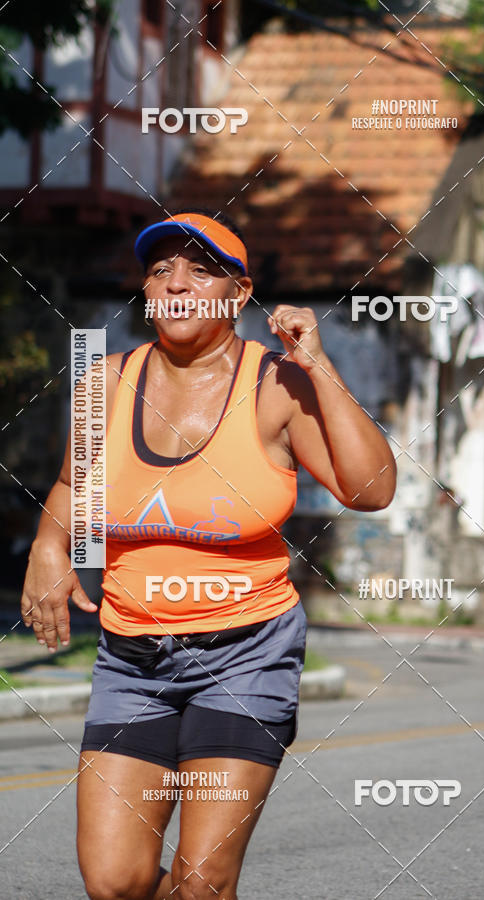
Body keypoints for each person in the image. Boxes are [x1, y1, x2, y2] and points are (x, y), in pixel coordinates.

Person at [20, 208, 397, 900]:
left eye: (202, 269)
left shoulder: (276, 387)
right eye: (161, 270)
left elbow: (371, 489)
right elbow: (72, 486)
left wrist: (317, 365)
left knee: (201, 880)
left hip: (246, 655)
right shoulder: (103, 384)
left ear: (238, 293)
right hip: (132, 659)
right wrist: (49, 545)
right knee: (115, 880)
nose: (178, 282)